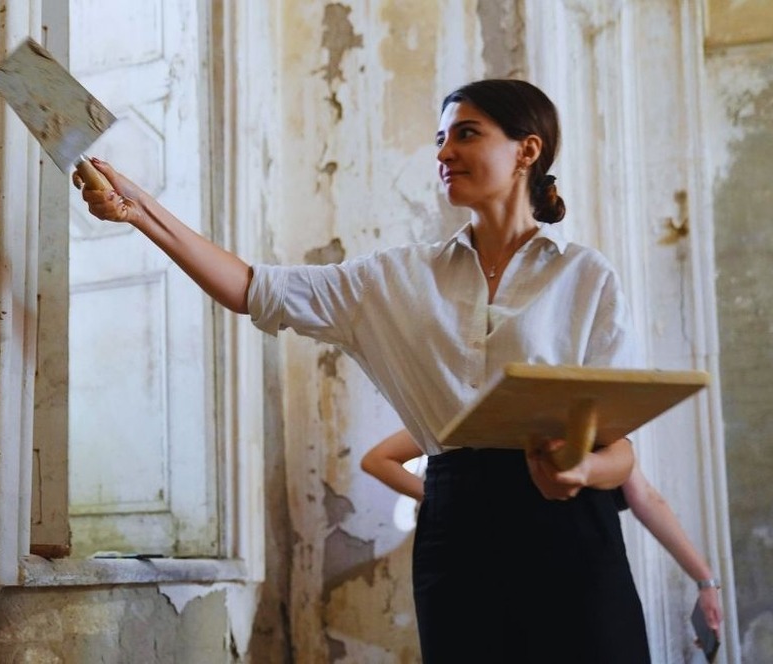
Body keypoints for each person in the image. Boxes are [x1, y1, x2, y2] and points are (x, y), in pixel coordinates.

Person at [79, 78, 648, 663]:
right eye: (440, 138)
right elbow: (253, 287)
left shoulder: (586, 276)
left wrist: (581, 470)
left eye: (466, 134)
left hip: (571, 523)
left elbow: (621, 450)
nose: (444, 152)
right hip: (459, 523)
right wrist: (138, 210)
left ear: (527, 151)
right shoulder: (392, 279)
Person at [361, 427, 724, 640]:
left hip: (580, 586)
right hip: (504, 583)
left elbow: (647, 499)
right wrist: (443, 496)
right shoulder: (480, 418)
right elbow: (377, 459)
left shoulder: (598, 433)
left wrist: (705, 581)